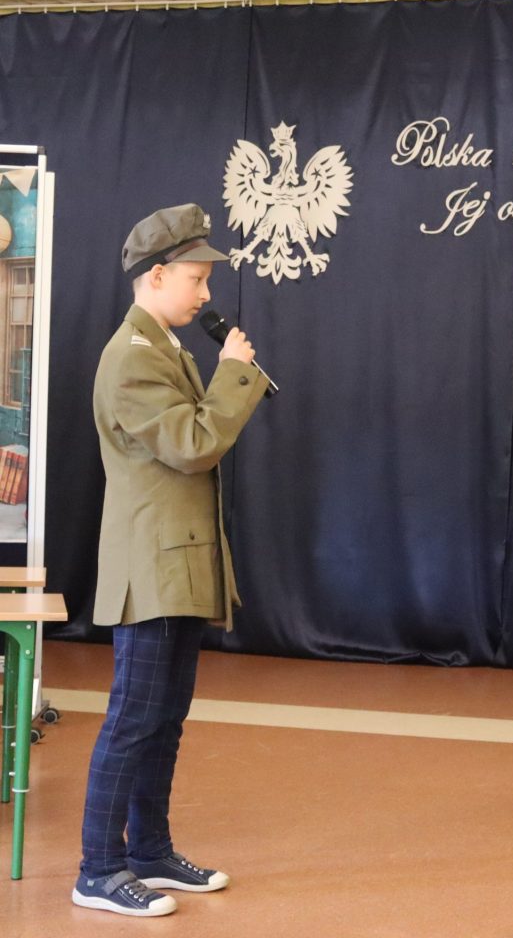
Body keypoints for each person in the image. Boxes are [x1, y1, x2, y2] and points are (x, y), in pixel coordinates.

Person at [72, 204, 269, 917]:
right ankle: (98, 869)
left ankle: (150, 851)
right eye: (196, 278)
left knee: (164, 717)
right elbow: (193, 445)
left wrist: (225, 376)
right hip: (152, 568)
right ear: (156, 276)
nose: (206, 293)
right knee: (134, 717)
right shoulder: (132, 356)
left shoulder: (165, 349)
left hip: (176, 563)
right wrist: (235, 375)